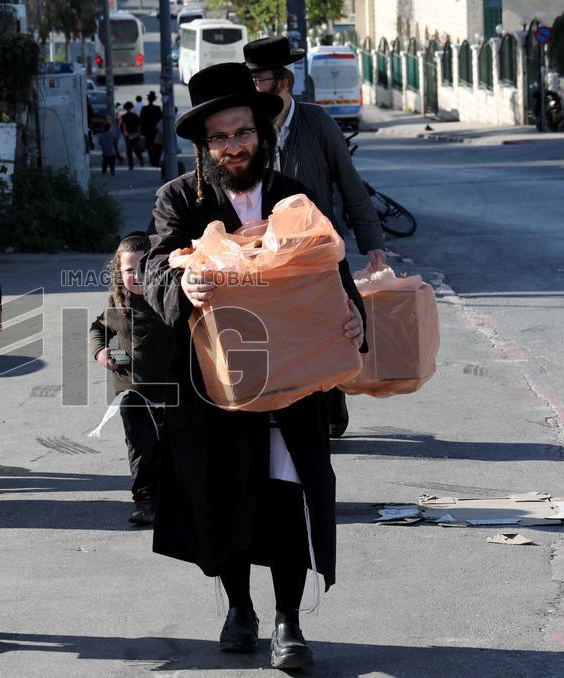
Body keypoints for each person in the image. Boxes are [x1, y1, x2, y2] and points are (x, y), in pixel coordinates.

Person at [139, 62, 367, 671]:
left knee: (287, 495)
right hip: (215, 383)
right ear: (203, 145)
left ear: (261, 134)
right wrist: (183, 286)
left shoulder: (295, 196)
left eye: (243, 132)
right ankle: (239, 608)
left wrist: (354, 316)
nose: (234, 146)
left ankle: (289, 620)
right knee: (226, 492)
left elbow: (330, 267)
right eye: (220, 137)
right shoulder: (178, 200)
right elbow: (155, 268)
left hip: (293, 382)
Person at [244, 36, 387, 438]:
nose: (254, 87)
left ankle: (332, 403)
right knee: (282, 331)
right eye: (250, 79)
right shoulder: (248, 127)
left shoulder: (317, 121)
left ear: (283, 82)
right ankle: (287, 407)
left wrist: (372, 242)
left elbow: (349, 182)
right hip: (268, 254)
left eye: (260, 79)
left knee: (335, 326)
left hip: (321, 251)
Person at [89, 232, 173, 525]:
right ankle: (144, 500)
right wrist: (101, 352)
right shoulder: (117, 302)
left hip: (173, 390)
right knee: (140, 446)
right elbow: (98, 328)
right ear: (118, 272)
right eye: (128, 270)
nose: (135, 275)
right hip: (133, 391)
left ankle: (174, 499)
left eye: (142, 268)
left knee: (172, 447)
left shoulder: (171, 297)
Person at [140, 91, 163, 166]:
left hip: (147, 131)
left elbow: (142, 120)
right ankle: (155, 160)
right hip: (155, 131)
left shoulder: (144, 108)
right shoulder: (157, 108)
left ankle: (151, 159)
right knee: (156, 146)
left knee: (148, 146)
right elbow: (160, 119)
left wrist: (142, 132)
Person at [119, 101, 144, 170]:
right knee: (137, 149)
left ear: (125, 108)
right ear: (131, 107)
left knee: (129, 150)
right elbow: (139, 124)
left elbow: (121, 126)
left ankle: (131, 165)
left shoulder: (123, 116)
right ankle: (141, 160)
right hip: (135, 134)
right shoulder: (135, 115)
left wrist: (124, 133)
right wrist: (139, 132)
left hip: (127, 135)